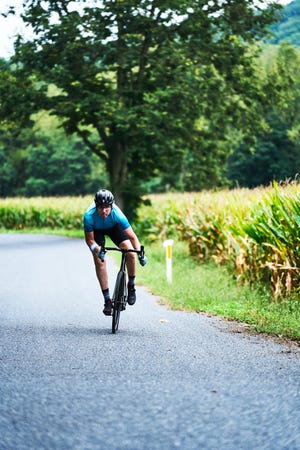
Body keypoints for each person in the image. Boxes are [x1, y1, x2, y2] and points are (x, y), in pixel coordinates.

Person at [83, 189, 147, 316]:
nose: (104, 211)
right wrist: (97, 250)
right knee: (99, 260)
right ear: (96, 206)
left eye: (107, 207)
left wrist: (140, 253)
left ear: (111, 206)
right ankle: (107, 300)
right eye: (100, 208)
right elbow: (90, 241)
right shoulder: (89, 216)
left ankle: (131, 285)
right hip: (97, 231)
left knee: (130, 252)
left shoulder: (118, 214)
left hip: (114, 228)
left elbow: (133, 237)